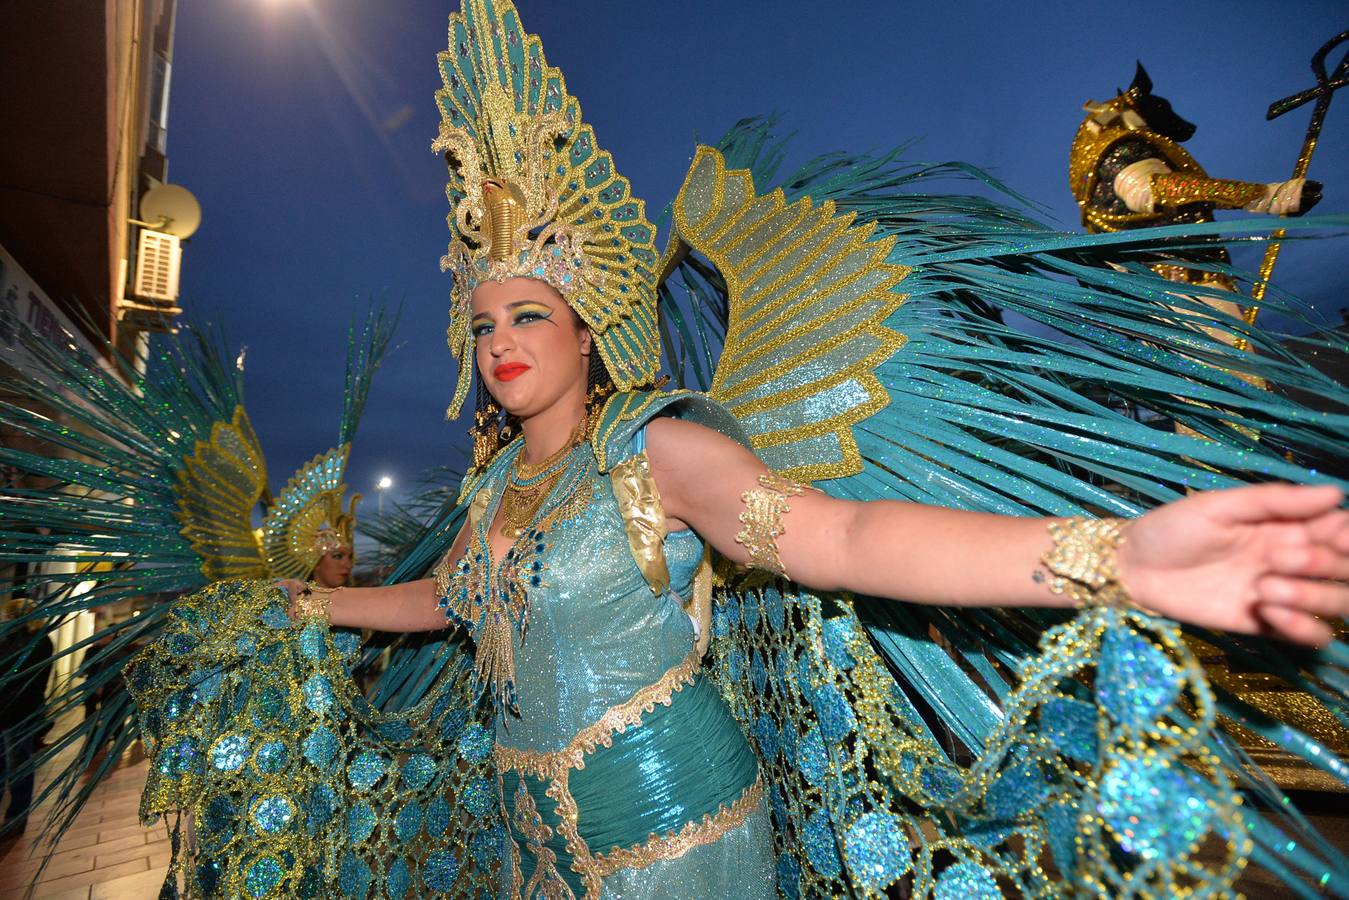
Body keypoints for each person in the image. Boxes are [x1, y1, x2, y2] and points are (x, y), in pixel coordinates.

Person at [12, 4, 1349, 897]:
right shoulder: (495, 487)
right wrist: (303, 598)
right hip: (532, 840)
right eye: (480, 322)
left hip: (675, 838)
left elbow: (841, 536)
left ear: (590, 329)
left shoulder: (658, 447)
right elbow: (438, 602)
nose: (500, 341)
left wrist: (1111, 555)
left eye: (527, 313)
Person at [0, 599, 54, 838]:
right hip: (12, 711)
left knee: (18, 764)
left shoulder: (36, 642)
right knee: (9, 764)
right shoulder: (20, 640)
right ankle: (15, 818)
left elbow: (26, 680)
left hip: (18, 713)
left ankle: (16, 818)